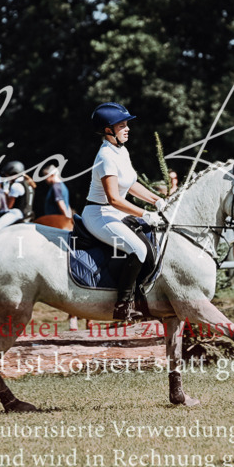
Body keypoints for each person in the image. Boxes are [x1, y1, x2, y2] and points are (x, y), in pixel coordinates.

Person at [83, 102, 167, 322]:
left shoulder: (121, 150)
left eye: (126, 124)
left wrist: (158, 201)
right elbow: (114, 198)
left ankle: (144, 296)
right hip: (99, 214)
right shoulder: (105, 157)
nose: (127, 128)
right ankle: (123, 305)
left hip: (113, 212)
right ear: (108, 130)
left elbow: (130, 184)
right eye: (121, 125)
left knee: (151, 242)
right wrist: (144, 213)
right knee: (138, 249)